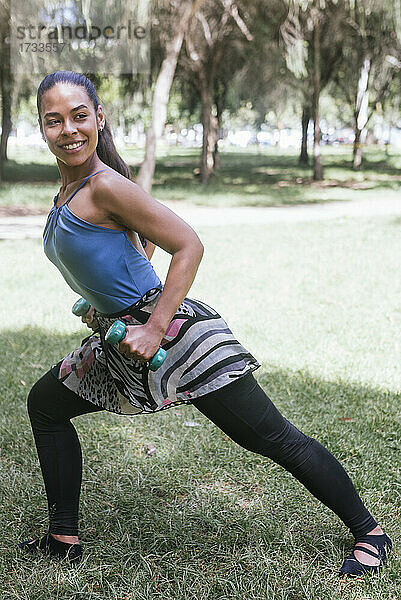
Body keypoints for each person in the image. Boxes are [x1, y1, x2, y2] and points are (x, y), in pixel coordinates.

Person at [18, 71, 391, 576]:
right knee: (45, 403)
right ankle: (64, 537)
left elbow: (187, 244)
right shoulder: (69, 192)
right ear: (42, 128)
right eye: (54, 120)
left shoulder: (105, 186)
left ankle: (370, 531)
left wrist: (153, 326)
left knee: (269, 437)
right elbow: (132, 250)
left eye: (79, 116)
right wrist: (102, 304)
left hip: (176, 338)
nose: (69, 130)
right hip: (119, 338)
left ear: (98, 117)